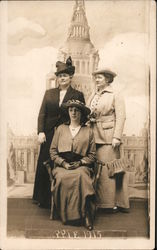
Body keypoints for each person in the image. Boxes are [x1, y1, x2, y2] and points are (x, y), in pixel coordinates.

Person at [32, 57, 85, 208]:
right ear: (57, 78)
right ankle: (43, 198)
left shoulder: (77, 94)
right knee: (45, 162)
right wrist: (41, 132)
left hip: (67, 134)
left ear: (70, 77)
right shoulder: (49, 93)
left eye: (65, 75)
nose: (62, 78)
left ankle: (64, 199)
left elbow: (81, 116)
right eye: (60, 76)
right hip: (48, 134)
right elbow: (42, 113)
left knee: (62, 162)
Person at [49, 99, 96, 230]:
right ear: (68, 112)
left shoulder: (88, 131)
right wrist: (63, 163)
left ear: (81, 113)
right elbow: (53, 151)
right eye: (71, 110)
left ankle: (85, 215)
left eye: (77, 110)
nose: (73, 112)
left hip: (81, 166)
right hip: (62, 166)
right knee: (62, 178)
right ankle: (66, 215)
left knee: (82, 177)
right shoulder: (60, 129)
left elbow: (92, 155)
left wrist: (81, 162)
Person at [87, 69, 129, 212]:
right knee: (96, 169)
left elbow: (121, 116)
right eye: (95, 78)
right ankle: (98, 202)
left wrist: (117, 136)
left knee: (108, 170)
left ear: (107, 79)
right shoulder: (94, 94)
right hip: (93, 135)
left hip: (108, 138)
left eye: (99, 77)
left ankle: (110, 203)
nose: (96, 80)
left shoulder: (115, 94)